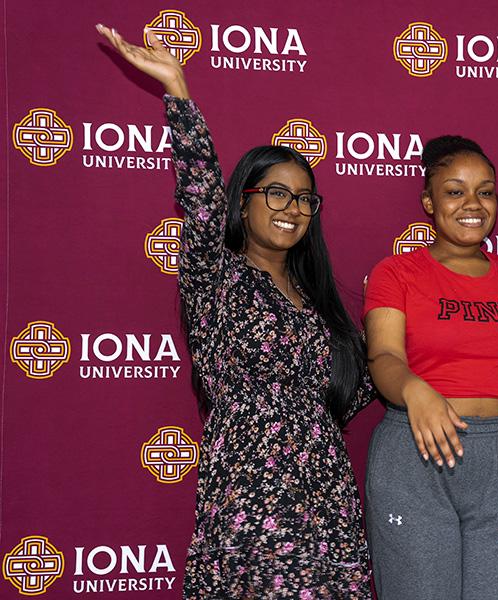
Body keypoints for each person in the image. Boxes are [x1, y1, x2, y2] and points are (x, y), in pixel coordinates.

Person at [96, 25, 374, 599]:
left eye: (304, 199)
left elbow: (362, 383)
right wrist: (178, 89)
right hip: (250, 488)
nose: (292, 209)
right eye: (275, 192)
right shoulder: (214, 274)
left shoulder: (316, 300)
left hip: (325, 490)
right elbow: (198, 191)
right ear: (242, 203)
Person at [363, 136, 498, 599]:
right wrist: (415, 389)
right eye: (455, 191)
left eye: (485, 191)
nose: (472, 204)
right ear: (429, 201)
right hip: (415, 455)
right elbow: (383, 356)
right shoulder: (395, 273)